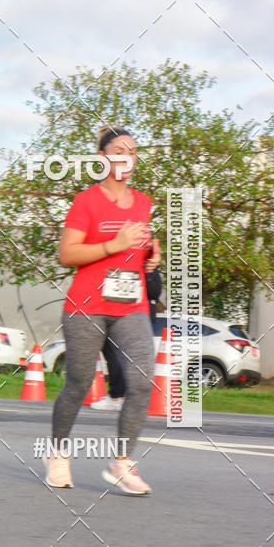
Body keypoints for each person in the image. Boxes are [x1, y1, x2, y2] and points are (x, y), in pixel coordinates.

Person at [45, 125, 160, 494]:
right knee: (78, 383)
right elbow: (67, 254)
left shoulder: (143, 202)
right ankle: (58, 454)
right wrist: (115, 243)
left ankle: (122, 462)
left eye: (133, 150)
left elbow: (136, 250)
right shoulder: (86, 202)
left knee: (142, 380)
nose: (128, 156)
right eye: (119, 149)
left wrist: (149, 256)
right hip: (87, 306)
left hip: (131, 305)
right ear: (103, 159)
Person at [95, 268, 162, 409]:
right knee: (120, 356)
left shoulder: (143, 264)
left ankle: (117, 397)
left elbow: (155, 292)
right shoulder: (141, 261)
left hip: (128, 314)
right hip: (122, 312)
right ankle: (123, 396)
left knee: (117, 356)